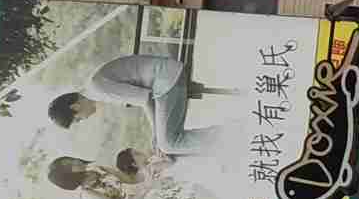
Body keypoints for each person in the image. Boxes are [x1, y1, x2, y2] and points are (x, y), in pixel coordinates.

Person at [47, 50, 236, 155]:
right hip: (165, 78)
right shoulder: (94, 88)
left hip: (166, 80)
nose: (83, 119)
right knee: (165, 142)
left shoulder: (98, 89)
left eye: (78, 119)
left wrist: (155, 134)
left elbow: (145, 99)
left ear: (75, 107)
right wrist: (155, 134)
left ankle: (230, 138)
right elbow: (144, 100)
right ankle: (226, 137)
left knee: (168, 144)